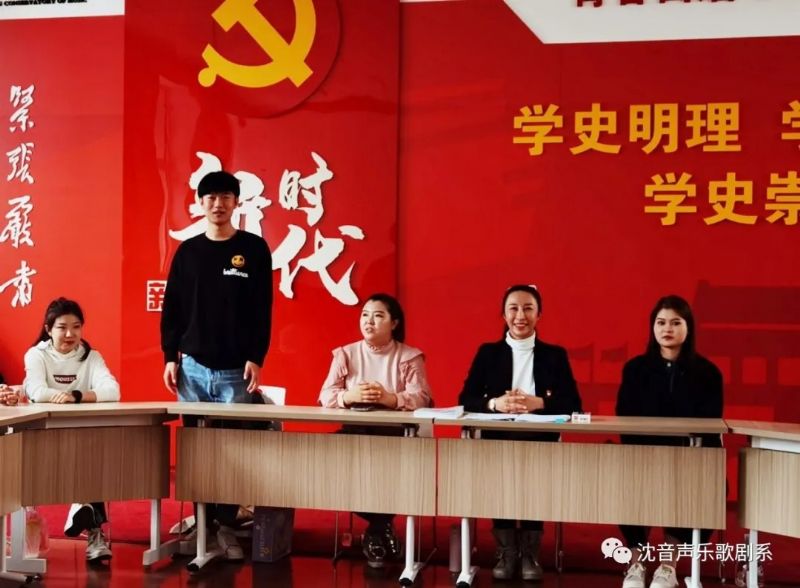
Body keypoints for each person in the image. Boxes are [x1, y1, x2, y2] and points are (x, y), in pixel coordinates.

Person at [161, 169, 273, 561]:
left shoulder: (253, 249)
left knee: (231, 451)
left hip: (235, 371)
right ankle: (203, 523)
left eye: (226, 197)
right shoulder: (188, 252)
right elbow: (172, 308)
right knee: (196, 451)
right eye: (210, 197)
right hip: (191, 369)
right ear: (199, 203)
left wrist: (256, 356)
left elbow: (262, 309)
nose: (218, 204)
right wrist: (169, 357)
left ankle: (226, 524)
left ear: (237, 202)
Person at [458, 284, 582, 581]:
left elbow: (574, 404)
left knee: (533, 488)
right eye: (513, 308)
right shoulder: (488, 353)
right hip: (497, 438)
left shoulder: (554, 355)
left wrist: (539, 403)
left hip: (540, 439)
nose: (520, 315)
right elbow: (466, 398)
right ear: (503, 315)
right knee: (501, 487)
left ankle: (529, 553)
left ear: (539, 315)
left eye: (528, 308)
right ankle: (506, 552)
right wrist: (495, 403)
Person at [616, 295, 723, 588]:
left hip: (689, 459)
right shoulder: (635, 369)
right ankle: (636, 563)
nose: (667, 329)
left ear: (688, 328)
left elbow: (709, 423)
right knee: (625, 478)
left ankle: (668, 566)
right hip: (644, 455)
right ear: (652, 327)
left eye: (676, 323)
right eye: (661, 322)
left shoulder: (708, 373)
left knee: (695, 483)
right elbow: (624, 417)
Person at [319, 293, 432, 568]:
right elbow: (325, 395)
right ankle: (381, 526)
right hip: (355, 434)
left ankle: (376, 532)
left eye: (378, 315)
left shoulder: (409, 356)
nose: (369, 321)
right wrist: (349, 396)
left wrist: (389, 399)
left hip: (396, 437)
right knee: (325, 462)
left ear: (394, 323)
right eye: (365, 315)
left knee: (388, 470)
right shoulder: (346, 354)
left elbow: (422, 398)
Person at [22, 297, 120, 562]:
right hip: (42, 434)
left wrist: (75, 395)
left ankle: (88, 521)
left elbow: (113, 391)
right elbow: (36, 391)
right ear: (48, 329)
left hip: (82, 433)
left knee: (91, 459)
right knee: (81, 465)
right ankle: (83, 514)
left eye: (76, 327)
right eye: (62, 327)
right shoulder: (36, 355)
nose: (70, 334)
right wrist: (71, 396)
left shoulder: (91, 356)